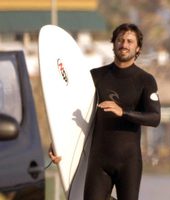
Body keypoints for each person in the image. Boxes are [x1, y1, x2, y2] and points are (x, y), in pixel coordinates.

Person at [49, 23, 161, 200]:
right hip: (98, 162)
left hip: (129, 164)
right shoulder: (95, 77)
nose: (124, 44)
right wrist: (58, 142)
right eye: (120, 40)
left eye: (130, 41)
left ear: (138, 48)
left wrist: (122, 112)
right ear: (114, 43)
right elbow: (73, 112)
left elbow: (155, 117)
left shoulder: (145, 80)